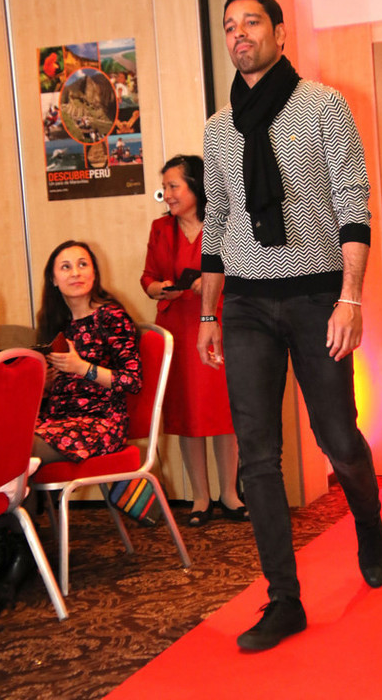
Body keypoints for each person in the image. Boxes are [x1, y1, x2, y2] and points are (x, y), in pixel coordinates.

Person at [197, 0, 382, 651]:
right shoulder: (218, 129)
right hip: (245, 304)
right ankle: (284, 599)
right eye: (230, 26)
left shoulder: (323, 106)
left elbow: (353, 204)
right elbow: (218, 220)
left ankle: (367, 516)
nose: (239, 34)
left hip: (316, 298)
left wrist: (350, 299)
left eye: (251, 22)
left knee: (337, 437)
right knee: (257, 456)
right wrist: (207, 312)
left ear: (279, 33)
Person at [141, 155, 247, 527]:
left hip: (217, 323)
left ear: (196, 186)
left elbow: (243, 269)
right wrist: (158, 288)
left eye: (174, 186)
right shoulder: (160, 228)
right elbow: (147, 278)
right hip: (177, 327)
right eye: (165, 188)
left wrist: (212, 281)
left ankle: (230, 493)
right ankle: (200, 498)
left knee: (223, 411)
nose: (167, 195)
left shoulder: (224, 223)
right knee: (187, 414)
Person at [33, 240, 142, 464]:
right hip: (56, 419)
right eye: (66, 267)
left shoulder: (112, 317)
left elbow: (132, 381)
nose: (75, 273)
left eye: (82, 264)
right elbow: (60, 388)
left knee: (17, 450)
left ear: (94, 273)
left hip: (100, 423)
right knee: (2, 436)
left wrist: (81, 367)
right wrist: (47, 383)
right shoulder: (55, 324)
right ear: (53, 279)